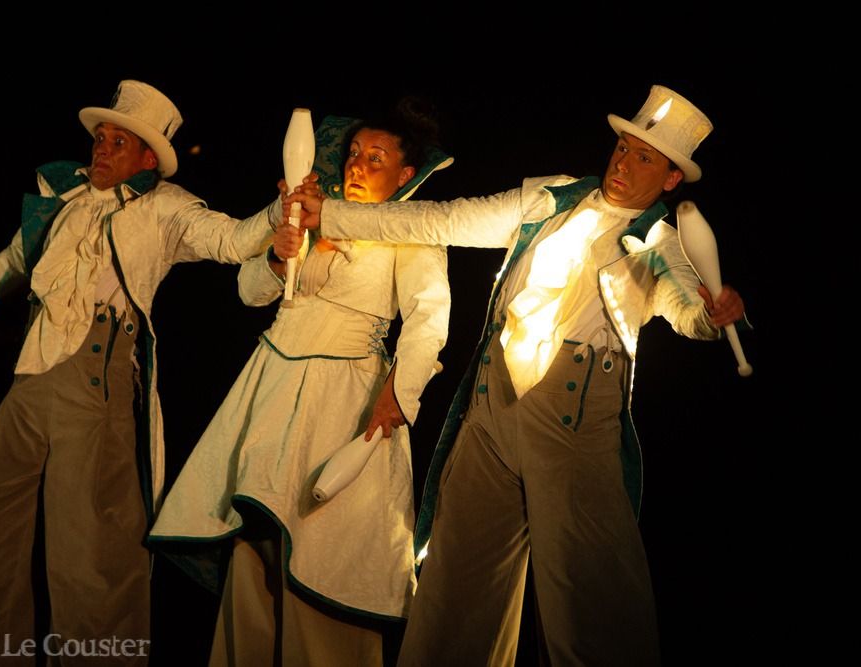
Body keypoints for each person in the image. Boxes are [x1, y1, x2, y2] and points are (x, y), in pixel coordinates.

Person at [287, 85, 746, 666]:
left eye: (644, 158)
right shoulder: (549, 198)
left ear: (671, 178)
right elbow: (441, 220)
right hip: (493, 408)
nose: (624, 164)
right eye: (623, 149)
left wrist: (712, 315)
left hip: (574, 425)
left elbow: (685, 305)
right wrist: (331, 213)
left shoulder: (659, 243)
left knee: (589, 603)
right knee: (455, 587)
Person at [0, 80, 284, 664]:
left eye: (118, 142)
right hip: (32, 379)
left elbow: (231, 239)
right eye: (101, 138)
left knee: (87, 546)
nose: (102, 149)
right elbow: (15, 262)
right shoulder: (65, 197)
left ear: (147, 158)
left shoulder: (165, 209)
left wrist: (281, 215)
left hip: (95, 385)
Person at [149, 101, 453, 665]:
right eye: (355, 153)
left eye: (376, 158)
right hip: (271, 388)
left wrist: (397, 394)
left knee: (321, 550)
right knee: (255, 543)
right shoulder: (313, 219)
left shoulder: (408, 231)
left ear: (405, 174)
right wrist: (277, 256)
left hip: (343, 399)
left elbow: (430, 317)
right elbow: (249, 294)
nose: (358, 164)